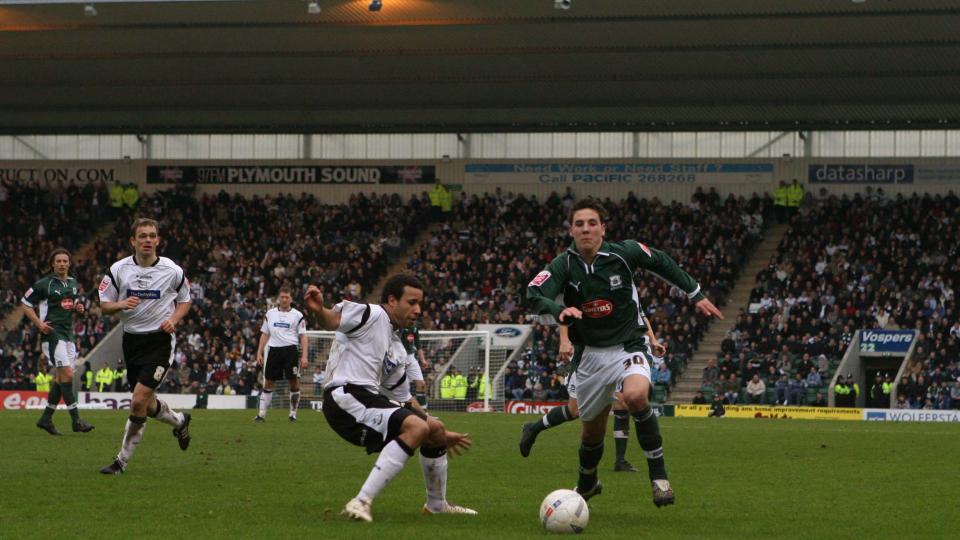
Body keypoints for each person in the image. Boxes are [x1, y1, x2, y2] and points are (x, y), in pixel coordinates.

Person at [526, 199, 723, 507]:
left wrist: (694, 293)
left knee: (635, 397)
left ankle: (659, 478)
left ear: (603, 228)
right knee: (591, 434)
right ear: (571, 230)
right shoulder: (563, 265)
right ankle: (588, 483)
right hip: (589, 356)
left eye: (593, 223)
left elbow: (661, 262)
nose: (586, 229)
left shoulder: (624, 253)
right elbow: (534, 293)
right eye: (580, 224)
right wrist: (559, 310)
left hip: (628, 345)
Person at [306, 274, 474, 522]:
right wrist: (319, 310)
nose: (418, 310)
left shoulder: (396, 347)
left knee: (434, 428)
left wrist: (435, 429)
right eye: (412, 302)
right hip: (344, 396)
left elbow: (405, 400)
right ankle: (361, 501)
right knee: (417, 426)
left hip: (365, 397)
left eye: (420, 304)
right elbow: (333, 320)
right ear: (392, 300)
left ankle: (437, 505)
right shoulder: (371, 314)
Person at [97, 218, 192, 474]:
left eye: (152, 236)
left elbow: (185, 301)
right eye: (142, 236)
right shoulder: (118, 270)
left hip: (159, 341)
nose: (148, 240)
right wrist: (121, 304)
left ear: (158, 240)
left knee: (137, 400)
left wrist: (173, 320)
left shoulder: (172, 270)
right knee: (148, 406)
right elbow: (105, 305)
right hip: (132, 341)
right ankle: (180, 421)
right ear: (133, 241)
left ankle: (121, 461)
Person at [520, 319, 668, 473]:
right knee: (574, 410)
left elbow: (640, 313)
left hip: (617, 353)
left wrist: (652, 339)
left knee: (622, 402)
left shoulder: (624, 296)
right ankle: (533, 428)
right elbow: (564, 311)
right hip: (586, 355)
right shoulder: (584, 297)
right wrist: (564, 341)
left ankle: (620, 460)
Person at [21, 247, 94, 435]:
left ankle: (45, 419)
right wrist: (38, 324)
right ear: (52, 264)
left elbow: (72, 304)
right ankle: (76, 420)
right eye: (58, 261)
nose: (62, 264)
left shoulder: (73, 283)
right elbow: (25, 303)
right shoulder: (43, 284)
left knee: (61, 378)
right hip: (52, 334)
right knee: (68, 375)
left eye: (65, 261)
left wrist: (78, 308)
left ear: (69, 263)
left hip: (68, 334)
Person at [254, 286, 308, 423]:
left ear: (291, 298)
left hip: (290, 350)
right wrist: (259, 352)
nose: (284, 299)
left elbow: (303, 337)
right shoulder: (270, 313)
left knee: (294, 383)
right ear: (279, 298)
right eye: (282, 297)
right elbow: (265, 334)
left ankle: (293, 414)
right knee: (268, 383)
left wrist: (304, 356)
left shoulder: (298, 315)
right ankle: (261, 415)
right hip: (274, 350)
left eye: (287, 297)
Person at [398, 325, 428, 407]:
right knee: (402, 388)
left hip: (411, 357)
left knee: (421, 384)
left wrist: (423, 360)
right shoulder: (398, 326)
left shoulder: (414, 327)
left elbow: (418, 344)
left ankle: (424, 412)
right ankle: (402, 411)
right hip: (398, 357)